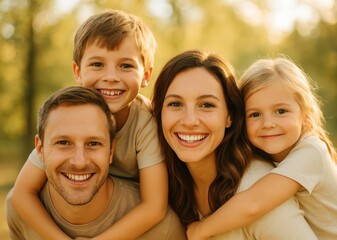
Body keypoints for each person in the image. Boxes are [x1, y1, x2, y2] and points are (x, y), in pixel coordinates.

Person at [11, 10, 169, 239]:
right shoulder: (66, 115)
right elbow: (22, 194)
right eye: (97, 64)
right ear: (78, 71)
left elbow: (154, 207)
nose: (111, 76)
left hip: (124, 209)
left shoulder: (147, 122)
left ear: (146, 75)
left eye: (126, 66)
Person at [185, 57, 337, 239]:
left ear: (306, 115)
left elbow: (254, 203)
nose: (267, 123)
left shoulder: (312, 152)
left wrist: (201, 229)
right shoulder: (264, 153)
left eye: (281, 111)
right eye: (255, 114)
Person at [151, 50, 318, 239]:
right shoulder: (165, 183)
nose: (190, 121)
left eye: (206, 105)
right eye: (175, 104)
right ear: (159, 113)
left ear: (229, 116)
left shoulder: (256, 189)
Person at [6, 86, 186, 240]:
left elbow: (154, 207)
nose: (79, 162)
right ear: (40, 149)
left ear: (111, 151)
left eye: (93, 144)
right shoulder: (20, 211)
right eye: (63, 143)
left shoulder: (163, 230)